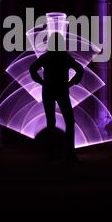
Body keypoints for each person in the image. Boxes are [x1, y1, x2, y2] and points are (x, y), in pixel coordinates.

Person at [29, 32, 84, 162]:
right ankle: (70, 153)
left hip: (48, 90)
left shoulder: (47, 57)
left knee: (51, 122)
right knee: (69, 121)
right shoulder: (64, 56)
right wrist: (71, 83)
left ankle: (52, 154)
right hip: (61, 90)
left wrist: (41, 81)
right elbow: (80, 69)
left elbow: (32, 68)